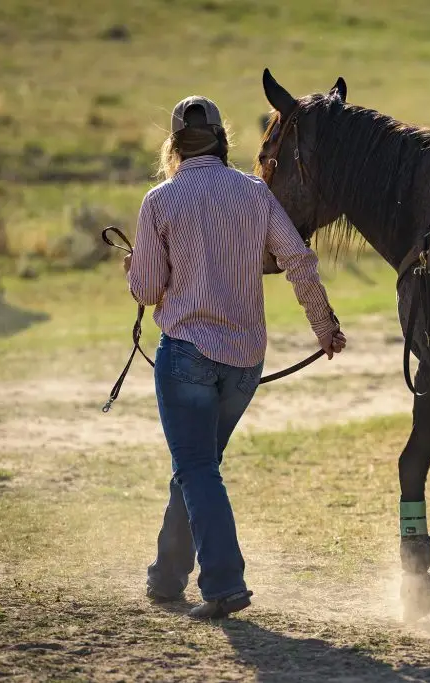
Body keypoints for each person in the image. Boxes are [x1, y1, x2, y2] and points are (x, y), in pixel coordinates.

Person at [124, 95, 346, 619]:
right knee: (198, 465)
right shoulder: (255, 195)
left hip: (185, 356)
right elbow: (297, 258)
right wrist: (325, 327)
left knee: (197, 466)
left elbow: (148, 287)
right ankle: (168, 575)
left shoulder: (160, 200)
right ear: (223, 139)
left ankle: (224, 584)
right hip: (245, 361)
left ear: (174, 144)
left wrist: (133, 267)